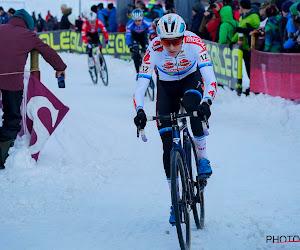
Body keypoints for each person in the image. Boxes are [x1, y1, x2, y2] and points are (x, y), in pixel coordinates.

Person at [133, 13, 217, 225]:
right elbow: (141, 85)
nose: (171, 47)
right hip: (166, 87)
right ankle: (176, 201)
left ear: (183, 37)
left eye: (176, 42)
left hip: (190, 81)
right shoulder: (153, 48)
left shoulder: (194, 43)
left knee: (193, 108)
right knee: (167, 144)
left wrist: (207, 102)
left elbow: (210, 78)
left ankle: (203, 156)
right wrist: (140, 110)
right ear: (159, 39)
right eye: (166, 42)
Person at [0, 9, 67, 169]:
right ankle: (2, 157)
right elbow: (48, 52)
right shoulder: (29, 35)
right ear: (28, 25)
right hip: (11, 83)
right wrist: (60, 67)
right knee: (12, 118)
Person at [126, 8, 154, 74]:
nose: (137, 22)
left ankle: (148, 69)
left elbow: (152, 34)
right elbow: (128, 37)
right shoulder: (129, 24)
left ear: (142, 18)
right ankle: (138, 72)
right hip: (134, 37)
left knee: (147, 51)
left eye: (139, 20)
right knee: (135, 52)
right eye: (135, 21)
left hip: (143, 37)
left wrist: (152, 42)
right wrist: (129, 45)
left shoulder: (146, 22)